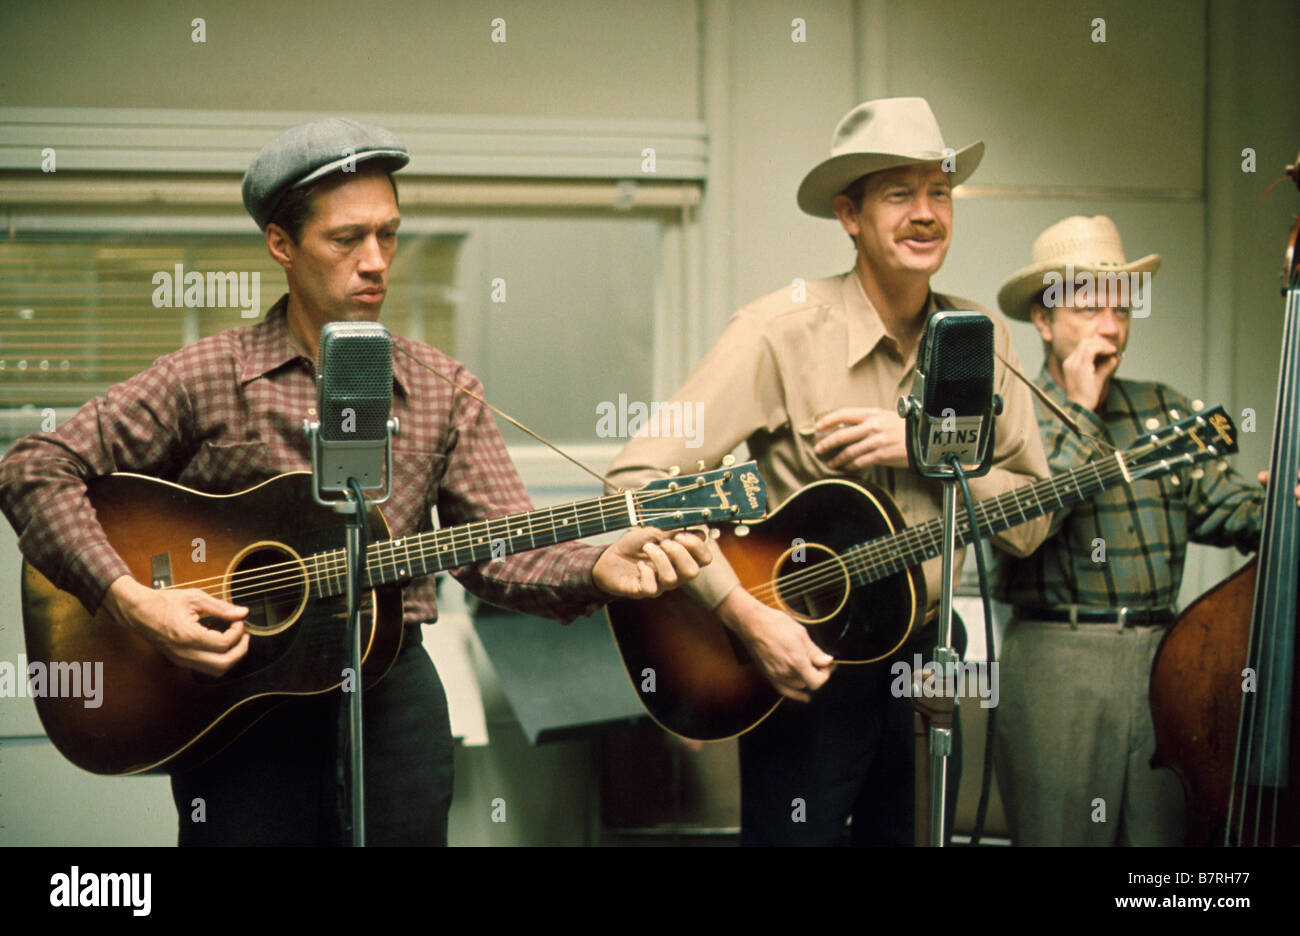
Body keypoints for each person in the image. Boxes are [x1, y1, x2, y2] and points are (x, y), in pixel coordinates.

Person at [0, 117, 710, 846]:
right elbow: (31, 467)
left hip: (390, 692)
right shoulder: (205, 377)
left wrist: (598, 562)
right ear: (282, 243)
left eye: (388, 235)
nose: (376, 261)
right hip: (239, 709)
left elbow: (497, 552)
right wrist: (132, 603)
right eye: (346, 239)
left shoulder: (442, 390)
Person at [605, 97, 1052, 845]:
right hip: (799, 662)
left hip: (928, 666)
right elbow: (637, 480)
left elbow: (1032, 523)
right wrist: (743, 617)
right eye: (899, 194)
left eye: (939, 192)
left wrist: (922, 449)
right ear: (849, 215)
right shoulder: (777, 331)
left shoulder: (981, 336)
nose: (926, 214)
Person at [992, 214, 1276, 846]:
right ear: (1043, 319)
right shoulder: (1010, 416)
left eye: (1121, 307)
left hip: (1163, 660)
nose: (1111, 325)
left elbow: (1227, 508)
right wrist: (1080, 411)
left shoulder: (1162, 407)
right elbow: (1020, 528)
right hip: (1055, 664)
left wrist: (1284, 507)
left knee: (1162, 855)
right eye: (1089, 305)